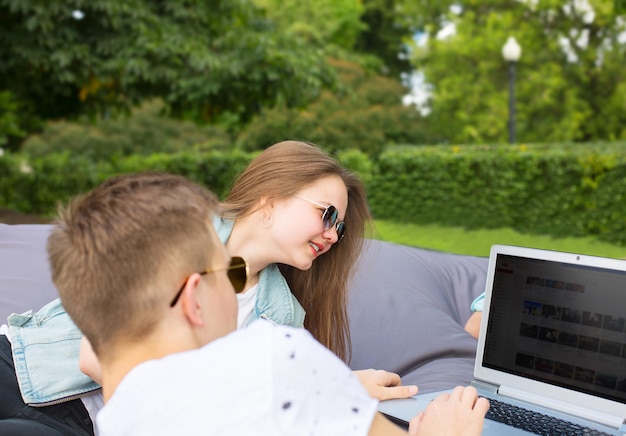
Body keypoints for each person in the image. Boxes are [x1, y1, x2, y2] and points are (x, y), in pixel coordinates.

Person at [49, 171, 489, 435]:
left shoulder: (121, 416)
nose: (333, 235)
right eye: (228, 270)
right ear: (194, 300)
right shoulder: (274, 353)